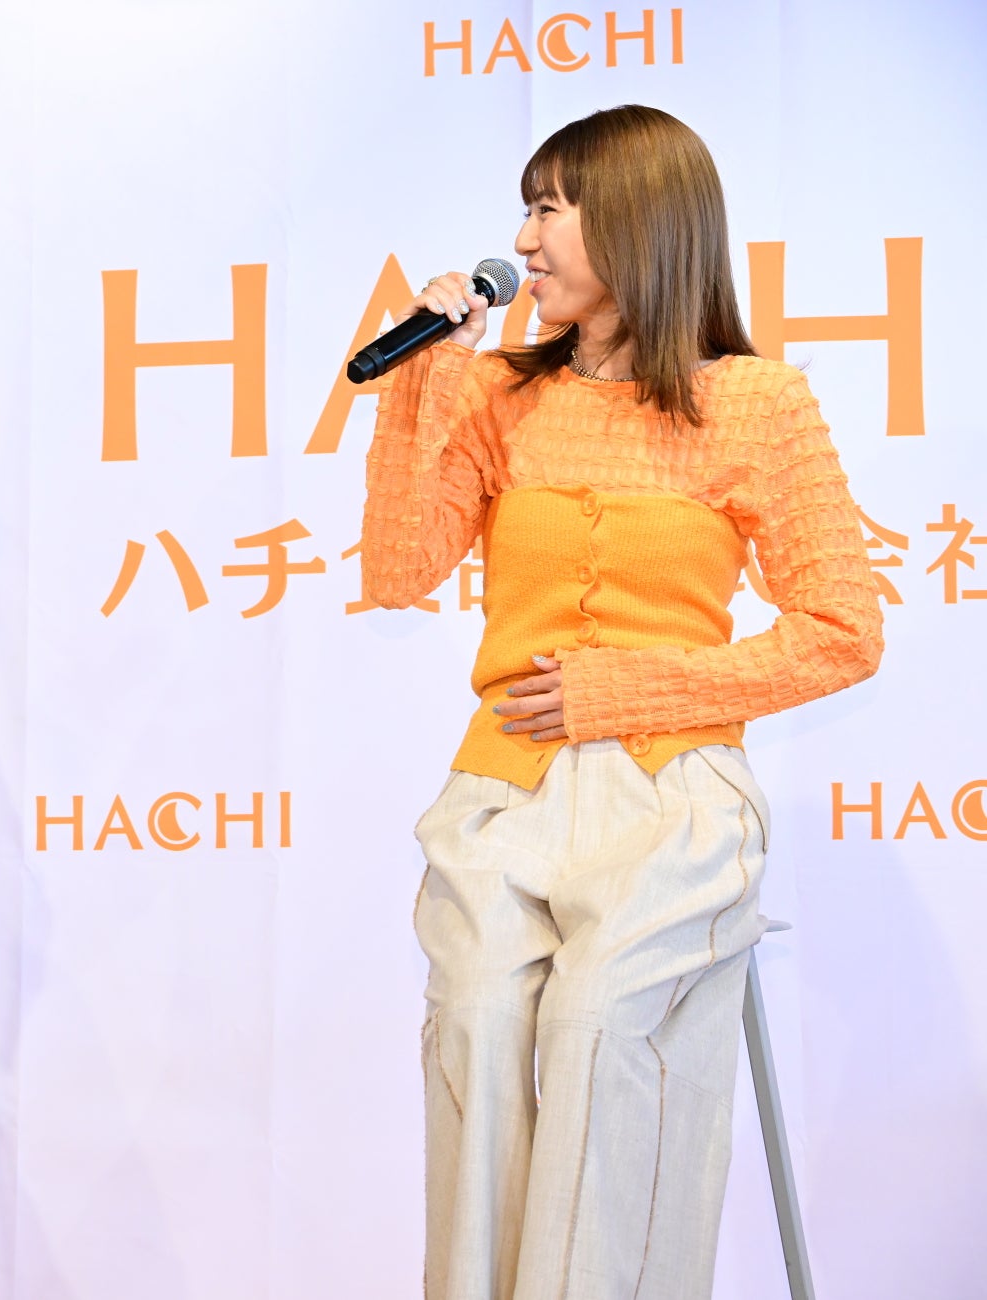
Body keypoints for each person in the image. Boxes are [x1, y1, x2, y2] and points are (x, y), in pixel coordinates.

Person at [361, 104, 882, 1298]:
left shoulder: (757, 404)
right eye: (526, 210)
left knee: (601, 1033)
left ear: (639, 220)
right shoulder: (498, 393)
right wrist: (426, 379)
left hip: (669, 798)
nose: (523, 241)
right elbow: (395, 571)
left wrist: (628, 686)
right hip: (504, 791)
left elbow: (844, 631)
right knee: (477, 1024)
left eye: (549, 209)